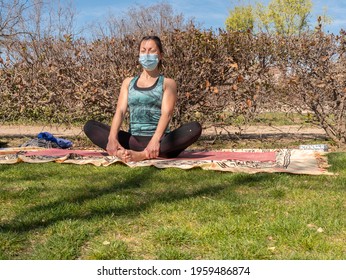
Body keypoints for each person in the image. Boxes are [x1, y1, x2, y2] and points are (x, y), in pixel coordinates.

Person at [84, 35, 202, 162]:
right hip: (133, 141)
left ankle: (144, 154)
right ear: (139, 54)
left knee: (194, 128)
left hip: (160, 141)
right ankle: (122, 151)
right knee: (90, 126)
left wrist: (155, 141)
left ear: (160, 55)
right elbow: (120, 111)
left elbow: (166, 114)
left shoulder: (168, 83)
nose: (147, 54)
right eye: (143, 51)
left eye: (152, 51)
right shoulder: (128, 82)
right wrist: (112, 138)